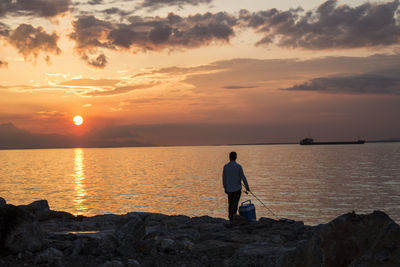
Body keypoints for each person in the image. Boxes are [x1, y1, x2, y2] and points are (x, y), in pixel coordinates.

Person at [222, 151, 250, 221]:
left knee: (230, 204)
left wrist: (225, 187)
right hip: (237, 189)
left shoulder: (226, 166)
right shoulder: (238, 166)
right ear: (236, 157)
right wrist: (247, 187)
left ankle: (231, 217)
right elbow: (243, 177)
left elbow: (224, 178)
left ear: (229, 157)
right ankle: (233, 217)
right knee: (235, 203)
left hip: (229, 189)